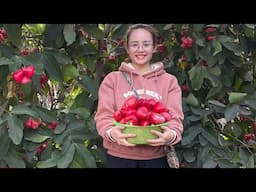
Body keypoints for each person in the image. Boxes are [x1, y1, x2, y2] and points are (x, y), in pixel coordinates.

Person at [95, 24, 184, 168]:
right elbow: (103, 117)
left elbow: (175, 118)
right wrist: (112, 133)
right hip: (119, 158)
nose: (140, 50)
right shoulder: (113, 80)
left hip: (156, 159)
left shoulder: (169, 81)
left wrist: (171, 135)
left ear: (155, 47)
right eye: (135, 44)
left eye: (146, 44)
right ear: (127, 48)